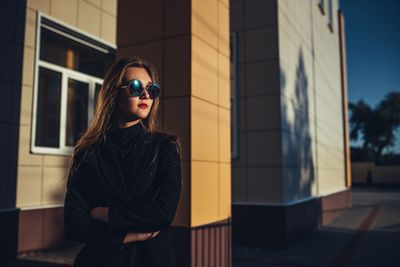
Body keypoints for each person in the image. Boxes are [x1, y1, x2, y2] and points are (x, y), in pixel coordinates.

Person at [63, 57, 183, 267]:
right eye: (136, 87)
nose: (146, 95)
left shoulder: (165, 146)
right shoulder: (87, 152)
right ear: (113, 92)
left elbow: (163, 213)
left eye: (151, 89)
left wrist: (107, 213)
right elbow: (74, 224)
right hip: (101, 260)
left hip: (152, 259)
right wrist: (126, 236)